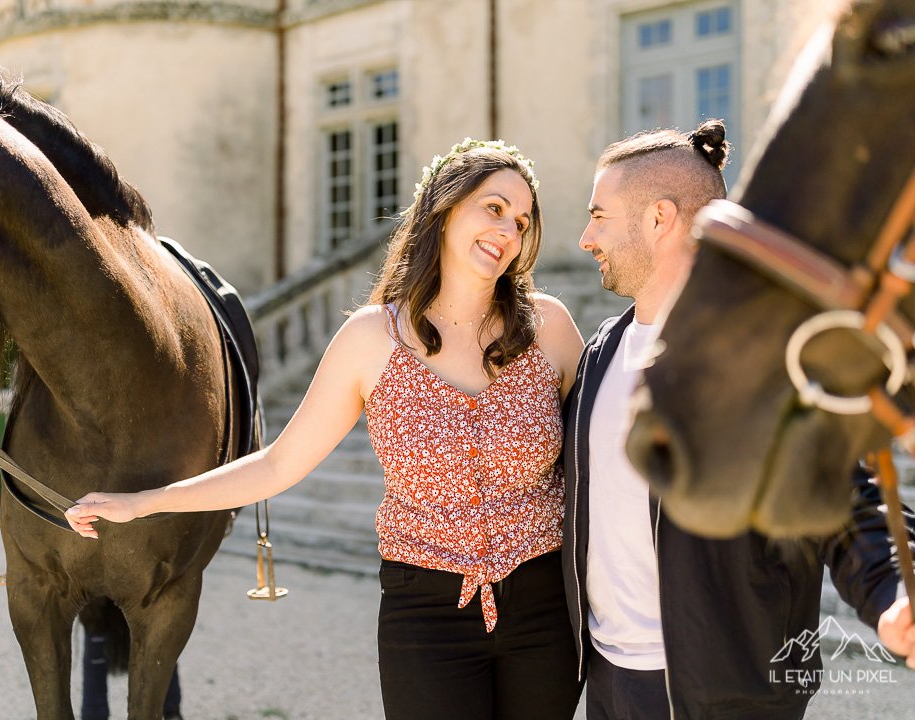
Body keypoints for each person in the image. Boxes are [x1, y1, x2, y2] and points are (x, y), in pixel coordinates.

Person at [66, 138, 586, 719]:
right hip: (427, 613)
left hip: (545, 606)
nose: (508, 231)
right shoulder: (372, 338)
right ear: (444, 206)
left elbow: (595, 457)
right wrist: (144, 503)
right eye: (493, 208)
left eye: (521, 221)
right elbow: (279, 464)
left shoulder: (551, 329)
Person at [563, 118, 915, 720]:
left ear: (658, 219)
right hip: (610, 681)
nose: (585, 238)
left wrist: (893, 593)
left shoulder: (761, 356)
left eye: (599, 215)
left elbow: (842, 495)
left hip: (731, 693)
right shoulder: (598, 350)